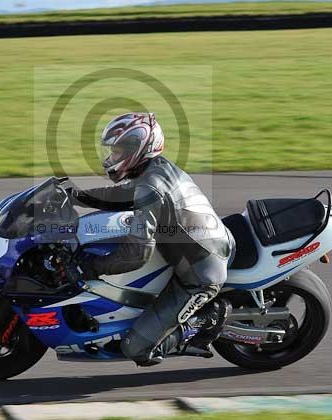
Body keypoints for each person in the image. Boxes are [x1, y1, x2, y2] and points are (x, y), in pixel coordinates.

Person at [70, 112, 234, 366]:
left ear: (137, 148)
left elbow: (136, 254)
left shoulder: (151, 185)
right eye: (112, 151)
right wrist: (75, 195)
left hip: (200, 274)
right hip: (206, 242)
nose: (112, 157)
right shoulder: (155, 170)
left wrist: (89, 267)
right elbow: (122, 195)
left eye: (118, 150)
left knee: (136, 348)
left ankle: (208, 318)